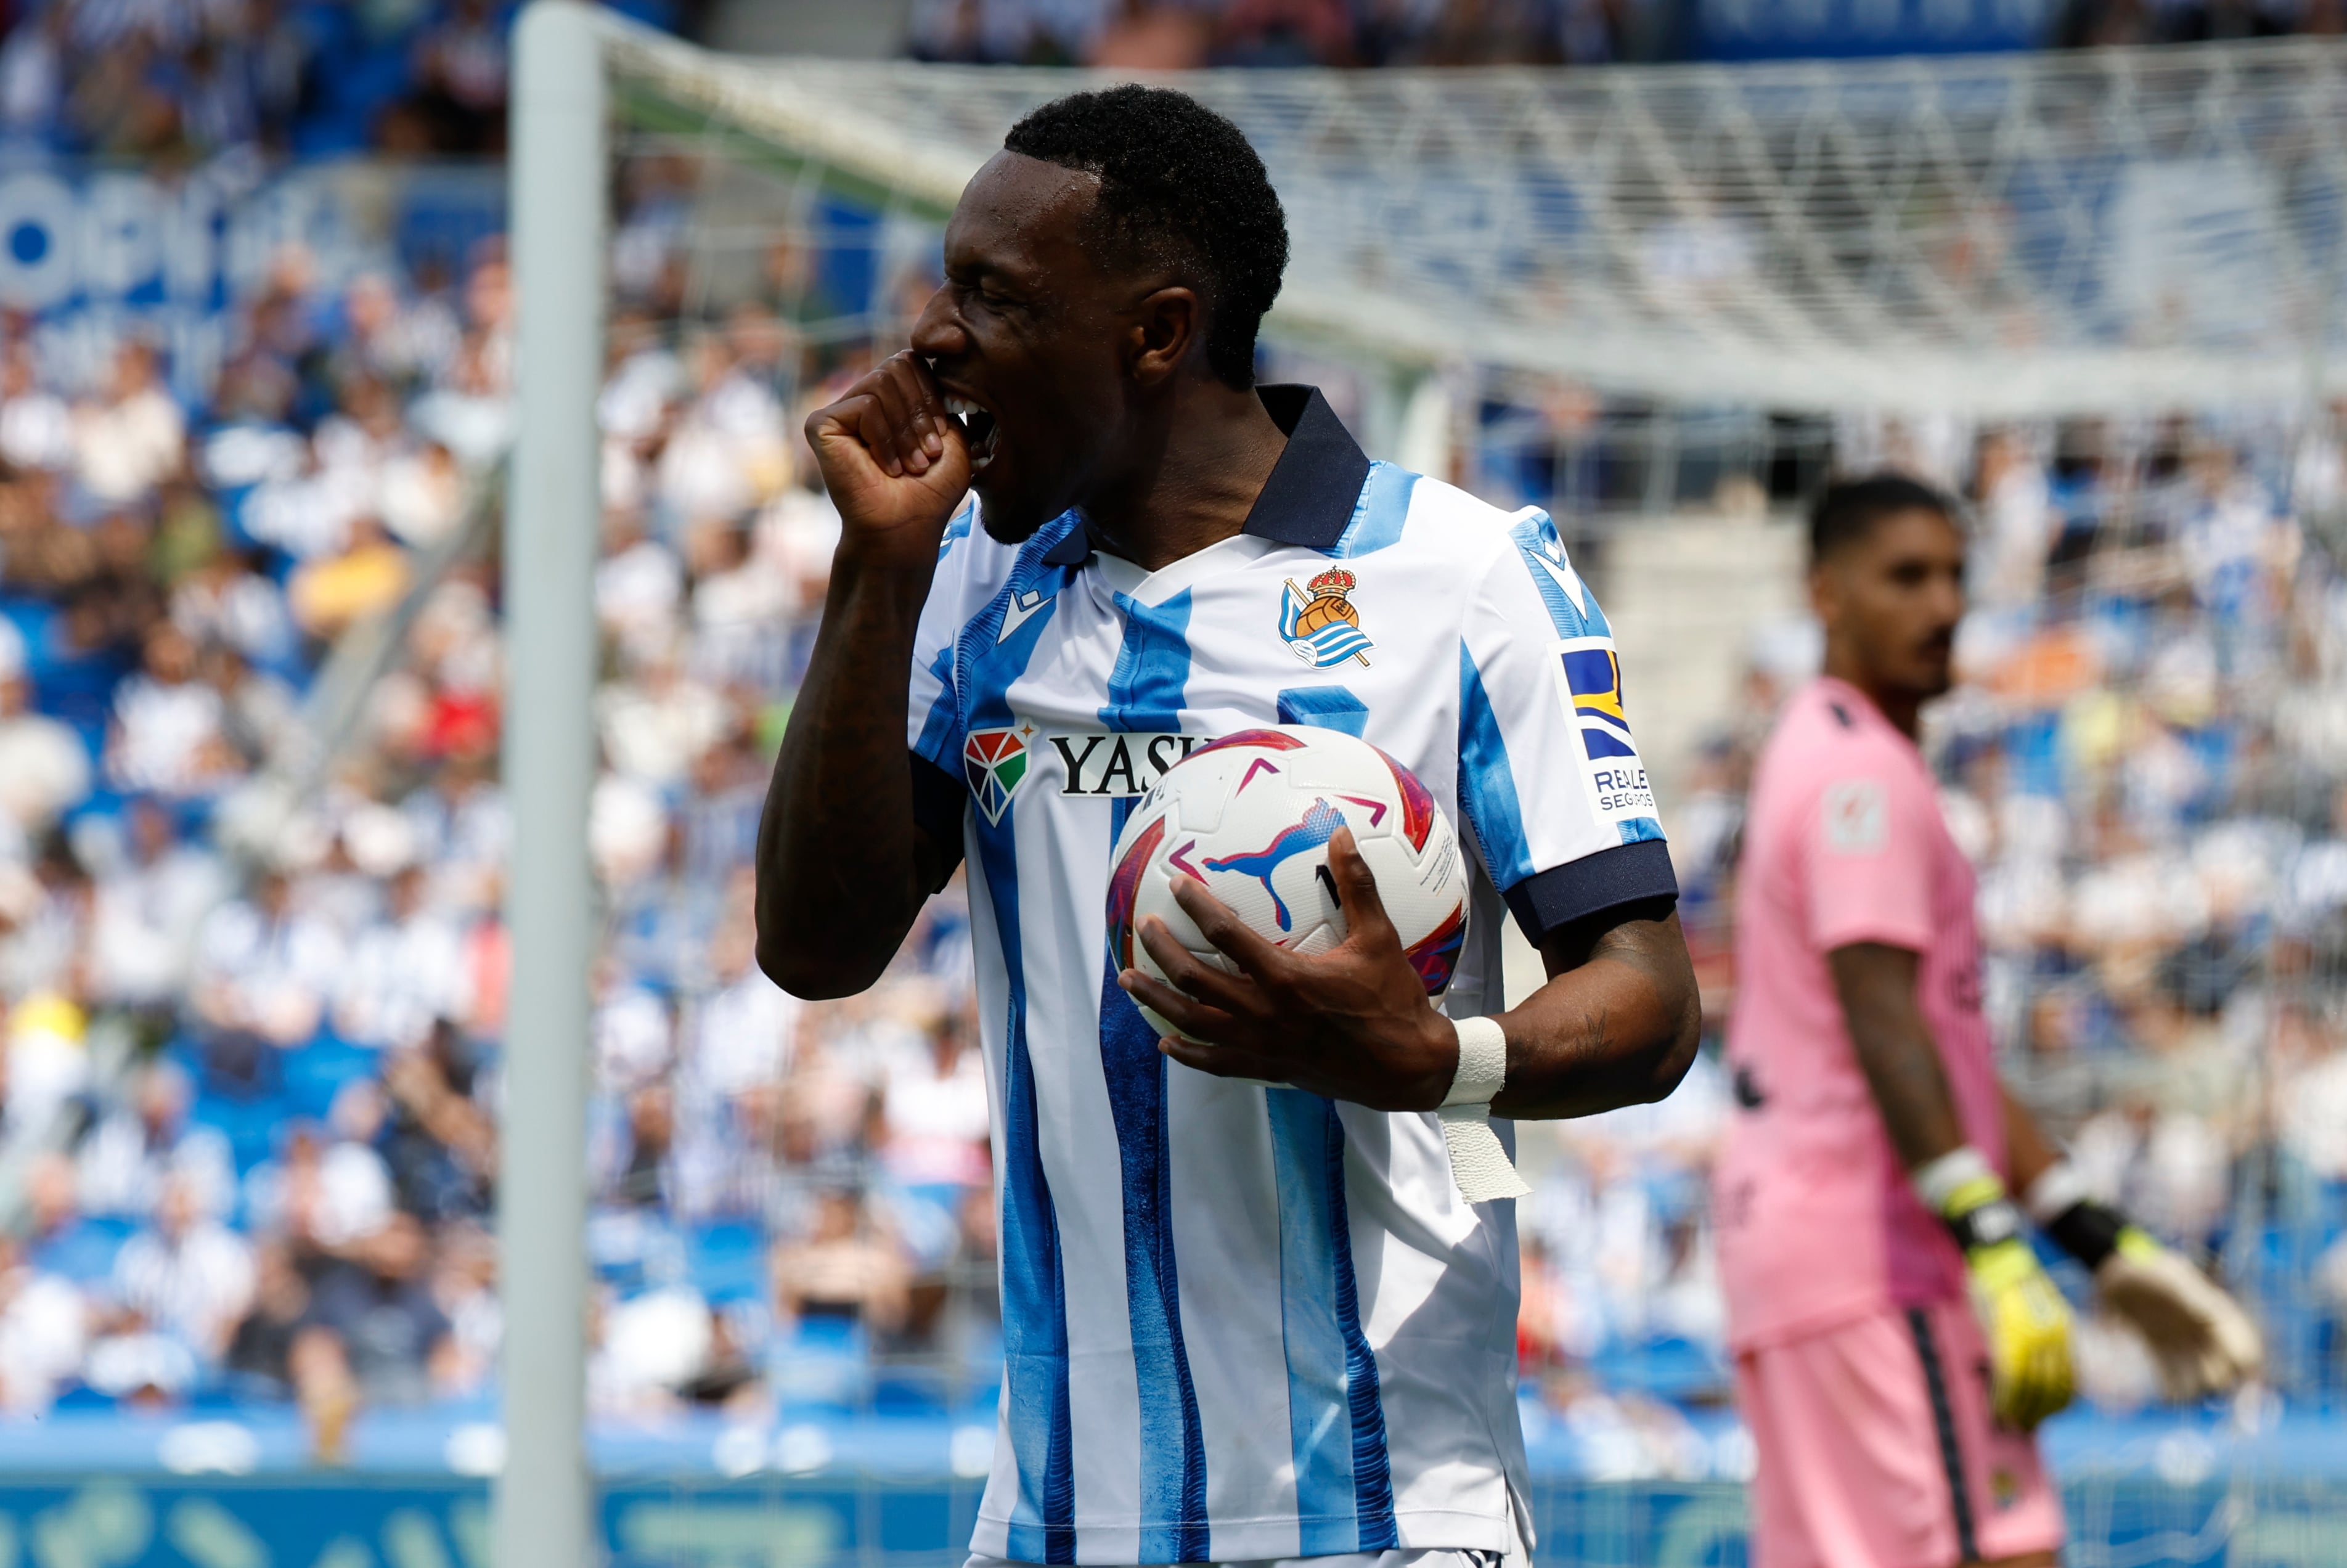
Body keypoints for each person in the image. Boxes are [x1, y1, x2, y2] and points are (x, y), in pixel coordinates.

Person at [757, 85, 1700, 1568]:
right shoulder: (965, 589)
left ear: (1156, 331)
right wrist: (871, 573)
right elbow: (813, 953)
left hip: (1384, 1517)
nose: (934, 337)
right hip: (1056, 1521)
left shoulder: (1462, 576)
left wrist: (1431, 1058)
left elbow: (1650, 1001)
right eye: (948, 285)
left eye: (994, 297)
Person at [1712, 475, 2262, 1568]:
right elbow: (1882, 1022)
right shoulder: (1858, 772)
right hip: (1877, 1260)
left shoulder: (1829, 751)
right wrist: (1991, 1238)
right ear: (1825, 593)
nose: (1942, 606)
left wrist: (2089, 1236)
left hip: (1813, 1254)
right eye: (1905, 577)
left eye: (1956, 576)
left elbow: (1941, 1049)